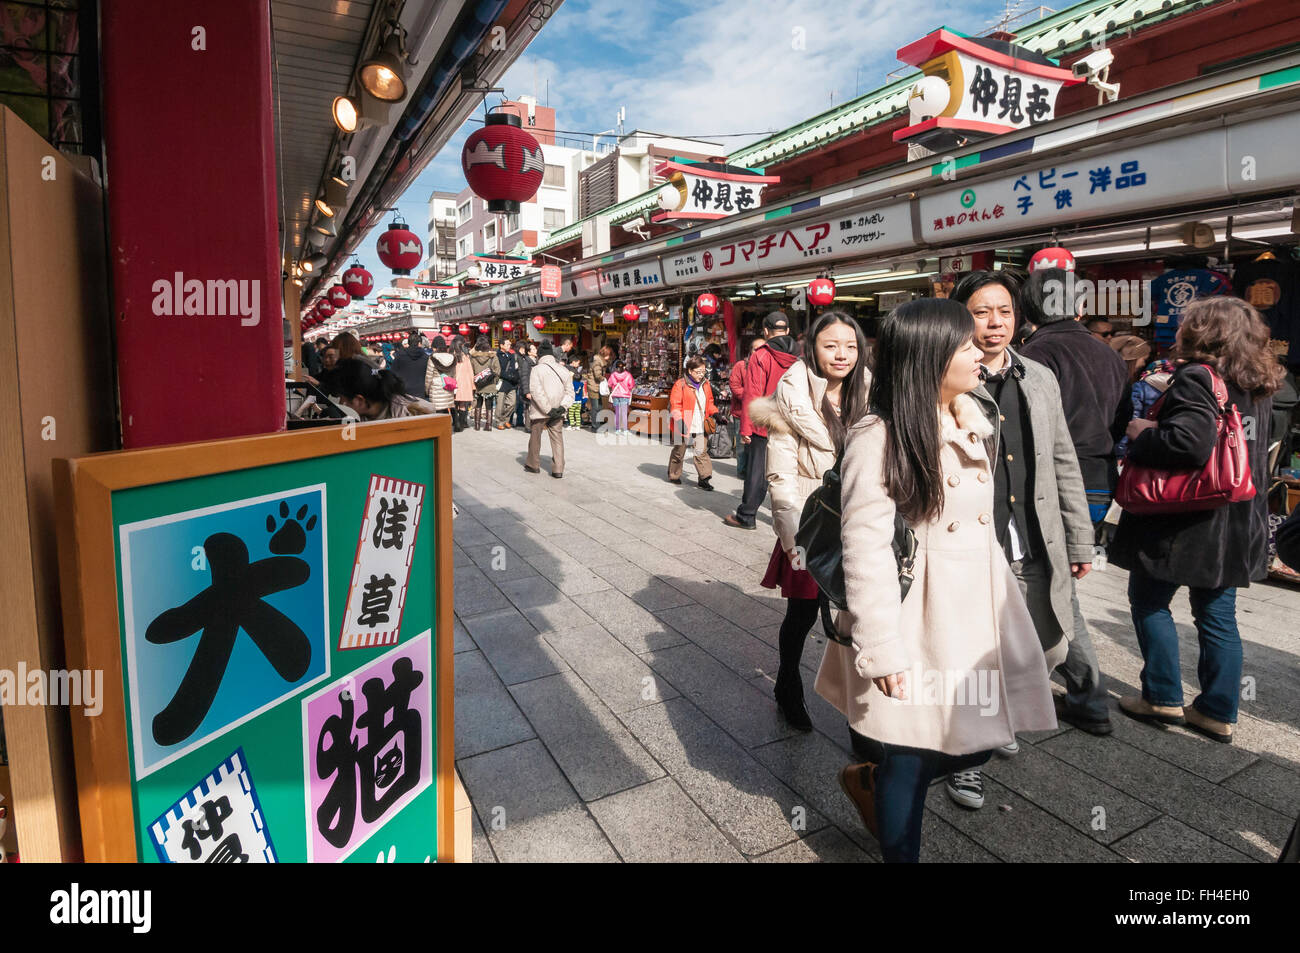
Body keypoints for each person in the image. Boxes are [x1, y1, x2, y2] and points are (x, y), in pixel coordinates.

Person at [817, 298, 1057, 863]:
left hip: (979, 603)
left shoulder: (973, 416)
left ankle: (871, 782)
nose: (982, 351)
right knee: (913, 750)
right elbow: (866, 548)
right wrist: (882, 649)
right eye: (967, 345)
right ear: (929, 357)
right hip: (918, 612)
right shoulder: (878, 436)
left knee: (979, 738)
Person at [950, 270, 1104, 814]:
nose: (994, 324)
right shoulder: (947, 379)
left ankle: (1002, 721)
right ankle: (966, 761)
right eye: (980, 312)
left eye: (1005, 312)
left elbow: (1062, 460)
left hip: (1032, 539)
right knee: (972, 655)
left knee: (1037, 645)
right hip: (971, 544)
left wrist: (1080, 541)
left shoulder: (1038, 376)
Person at [1111, 297, 1283, 744]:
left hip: (1185, 517)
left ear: (1202, 333)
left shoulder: (1196, 377)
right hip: (1237, 516)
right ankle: (1217, 709)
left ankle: (1162, 696)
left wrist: (1143, 434)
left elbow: (1187, 444)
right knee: (1217, 614)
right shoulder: (1261, 384)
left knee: (1149, 601)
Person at [748, 311, 869, 730]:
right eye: (831, 345)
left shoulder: (870, 395)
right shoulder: (791, 399)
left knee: (856, 616)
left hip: (859, 525)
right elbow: (780, 476)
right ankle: (787, 685)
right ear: (811, 348)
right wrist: (793, 537)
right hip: (811, 526)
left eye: (851, 346)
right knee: (801, 616)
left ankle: (862, 704)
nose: (842, 354)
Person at [1018, 268, 1130, 525]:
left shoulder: (1034, 353)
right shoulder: (1111, 356)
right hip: (1100, 482)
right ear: (1080, 306)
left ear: (1028, 308)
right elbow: (1122, 419)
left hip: (1048, 484)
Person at [724, 312, 800, 530]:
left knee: (757, 472)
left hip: (765, 423)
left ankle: (747, 515)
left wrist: (746, 427)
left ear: (766, 331)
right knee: (789, 472)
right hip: (794, 422)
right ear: (786, 331)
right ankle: (791, 519)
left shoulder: (761, 355)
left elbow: (753, 393)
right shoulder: (801, 355)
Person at [667, 356, 719, 489]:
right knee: (679, 451)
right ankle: (674, 474)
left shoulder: (706, 384)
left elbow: (710, 402)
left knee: (701, 451)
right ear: (690, 371)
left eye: (703, 372)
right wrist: (679, 421)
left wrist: (716, 414)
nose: (701, 375)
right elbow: (675, 405)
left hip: (700, 423)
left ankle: (704, 478)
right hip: (684, 421)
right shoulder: (680, 384)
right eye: (698, 372)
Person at [524, 340, 573, 477]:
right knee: (557, 438)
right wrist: (562, 408)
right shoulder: (563, 369)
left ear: (540, 355)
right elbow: (570, 393)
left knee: (535, 437)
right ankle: (558, 468)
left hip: (540, 411)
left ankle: (533, 464)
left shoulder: (536, 369)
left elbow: (536, 392)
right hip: (558, 410)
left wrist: (547, 409)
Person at [333, 358, 437, 419]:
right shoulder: (367, 416)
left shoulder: (411, 416)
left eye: (342, 399)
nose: (341, 404)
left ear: (359, 401)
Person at [469, 337, 501, 431]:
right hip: (490, 385)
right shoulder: (493, 356)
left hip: (478, 385)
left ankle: (477, 425)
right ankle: (488, 425)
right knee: (489, 405)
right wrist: (494, 381)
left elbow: (471, 371)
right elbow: (498, 371)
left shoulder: (473, 357)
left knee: (478, 404)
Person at [423, 335, 458, 417]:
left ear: (435, 347)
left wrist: (426, 390)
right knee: (447, 409)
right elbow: (454, 375)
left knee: (438, 413)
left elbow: (429, 377)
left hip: (436, 390)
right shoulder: (452, 357)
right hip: (448, 388)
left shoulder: (432, 358)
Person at [389, 332, 430, 399]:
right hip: (420, 392)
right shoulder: (426, 357)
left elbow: (393, 373)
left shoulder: (400, 355)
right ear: (420, 343)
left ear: (408, 343)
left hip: (404, 392)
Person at [586, 346, 611, 432]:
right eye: (608, 355)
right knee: (596, 407)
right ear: (605, 354)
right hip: (594, 386)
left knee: (599, 407)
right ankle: (595, 426)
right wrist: (604, 379)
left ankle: (597, 425)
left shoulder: (599, 360)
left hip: (597, 386)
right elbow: (597, 375)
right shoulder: (597, 361)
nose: (609, 357)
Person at [451, 336, 474, 431]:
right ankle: (460, 424)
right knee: (463, 405)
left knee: (453, 404)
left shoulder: (451, 356)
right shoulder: (465, 357)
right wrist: (472, 385)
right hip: (464, 384)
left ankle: (455, 422)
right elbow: (470, 372)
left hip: (453, 383)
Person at [606, 361, 634, 434]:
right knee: (624, 413)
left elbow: (609, 384)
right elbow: (631, 385)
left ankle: (617, 429)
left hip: (615, 395)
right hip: (624, 395)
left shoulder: (613, 375)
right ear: (624, 367)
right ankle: (625, 430)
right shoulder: (628, 375)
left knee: (617, 413)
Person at [516, 340, 538, 430]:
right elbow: (524, 377)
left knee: (534, 407)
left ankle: (534, 425)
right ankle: (528, 426)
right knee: (528, 408)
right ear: (529, 352)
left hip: (535, 388)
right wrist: (527, 392)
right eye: (533, 349)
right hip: (528, 388)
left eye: (535, 348)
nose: (535, 350)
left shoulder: (536, 361)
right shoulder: (526, 362)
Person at [567, 355, 587, 429]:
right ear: (573, 362)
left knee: (572, 411)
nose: (578, 365)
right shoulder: (569, 369)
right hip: (571, 393)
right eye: (578, 363)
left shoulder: (573, 369)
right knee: (573, 411)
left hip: (573, 394)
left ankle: (572, 424)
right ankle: (572, 424)